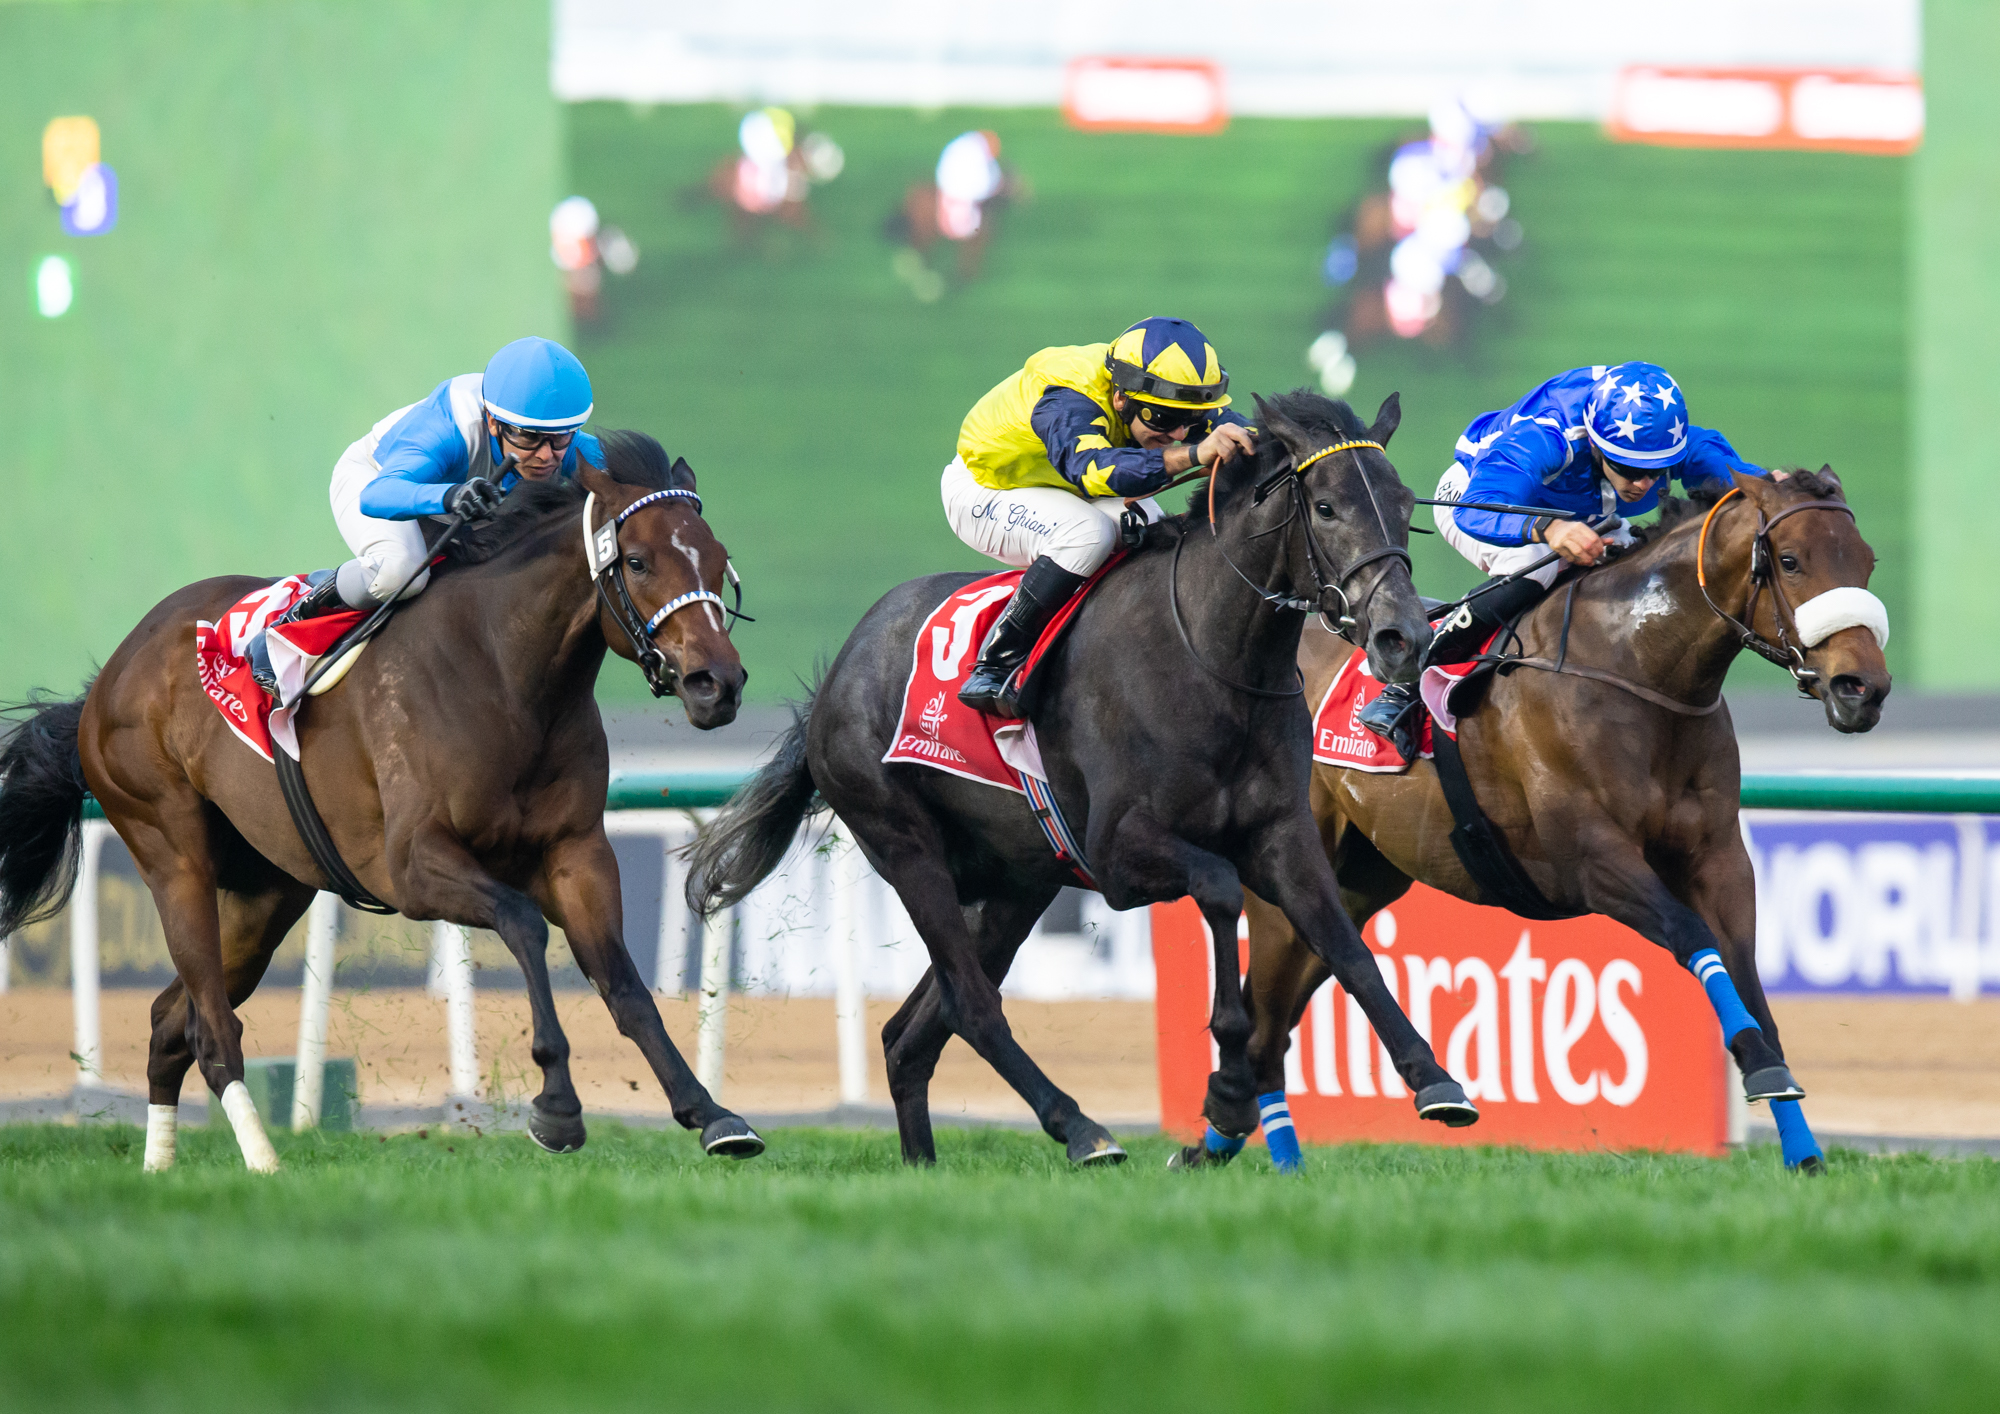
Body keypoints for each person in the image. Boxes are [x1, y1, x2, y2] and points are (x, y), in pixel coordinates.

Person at [1358, 361, 1763, 755]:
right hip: (1479, 496)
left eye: (1657, 470)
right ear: (1594, 443)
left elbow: (1751, 484)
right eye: (1627, 468)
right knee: (1536, 563)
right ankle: (1406, 682)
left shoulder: (1664, 440)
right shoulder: (1548, 437)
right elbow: (1478, 508)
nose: (1643, 484)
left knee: (1637, 563)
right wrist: (1548, 529)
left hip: (1578, 511)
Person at [247, 336, 601, 694]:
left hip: (456, 500)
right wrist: (448, 495)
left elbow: (629, 490)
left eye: (560, 439)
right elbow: (377, 496)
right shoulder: (450, 429)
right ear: (494, 422)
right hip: (377, 477)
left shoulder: (562, 445)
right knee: (400, 570)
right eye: (529, 438)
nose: (546, 456)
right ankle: (293, 620)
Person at [944, 316, 1257, 716]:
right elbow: (1092, 470)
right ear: (1120, 398)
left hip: (1062, 486)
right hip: (987, 487)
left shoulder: (1159, 396)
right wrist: (1194, 453)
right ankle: (996, 662)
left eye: (1191, 421)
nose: (1179, 433)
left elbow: (1246, 433)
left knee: (1154, 531)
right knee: (1087, 534)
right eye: (1162, 419)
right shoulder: (1067, 395)